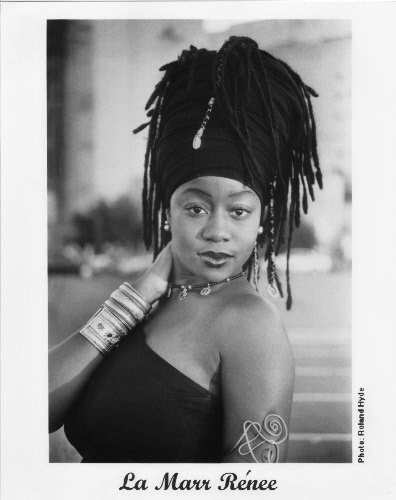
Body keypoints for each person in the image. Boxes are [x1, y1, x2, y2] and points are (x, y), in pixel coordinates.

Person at [49, 36, 322, 463]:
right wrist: (138, 296)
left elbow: (252, 482)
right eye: (196, 208)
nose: (217, 231)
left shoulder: (251, 324)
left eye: (239, 211)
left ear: (261, 220)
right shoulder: (146, 302)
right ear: (167, 211)